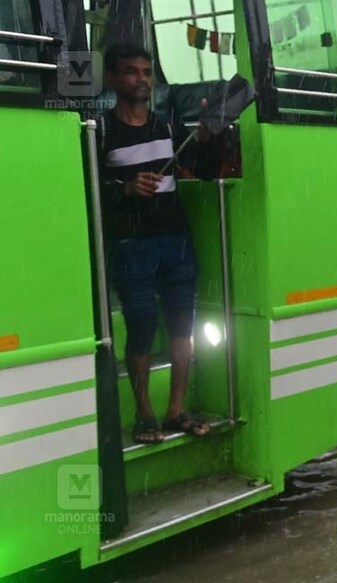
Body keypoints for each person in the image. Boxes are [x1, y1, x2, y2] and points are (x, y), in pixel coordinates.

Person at [100, 43, 219, 443]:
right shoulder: (101, 130)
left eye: (147, 72)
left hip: (175, 240)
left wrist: (205, 140)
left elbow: (203, 172)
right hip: (130, 245)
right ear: (113, 79)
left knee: (182, 325)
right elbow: (93, 191)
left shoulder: (168, 124)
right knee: (141, 325)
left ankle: (176, 410)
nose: (142, 79)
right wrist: (126, 189)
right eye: (131, 71)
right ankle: (145, 414)